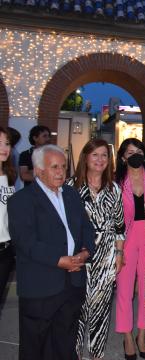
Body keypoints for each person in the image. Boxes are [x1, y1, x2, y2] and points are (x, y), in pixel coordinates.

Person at [8, 144, 95, 359]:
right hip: (40, 285)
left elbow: (87, 228)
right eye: (54, 167)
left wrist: (85, 252)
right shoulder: (21, 200)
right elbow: (25, 242)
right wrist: (59, 260)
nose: (61, 172)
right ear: (38, 170)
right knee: (34, 346)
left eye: (63, 166)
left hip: (72, 282)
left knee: (65, 342)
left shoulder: (72, 194)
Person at [67, 139, 125, 360]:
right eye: (95, 155)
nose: (100, 160)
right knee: (77, 311)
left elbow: (120, 226)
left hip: (106, 257)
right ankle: (75, 355)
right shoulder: (70, 186)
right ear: (85, 157)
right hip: (79, 257)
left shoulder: (114, 188)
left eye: (104, 155)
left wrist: (119, 254)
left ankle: (96, 356)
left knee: (100, 312)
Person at [115, 138, 145, 359]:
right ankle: (127, 336)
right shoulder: (116, 182)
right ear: (123, 157)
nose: (135, 156)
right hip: (125, 238)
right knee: (124, 289)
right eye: (130, 152)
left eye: (139, 152)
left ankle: (142, 334)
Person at [0, 127, 16, 306]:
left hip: (5, 250)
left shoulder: (9, 176)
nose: (4, 148)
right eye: (0, 143)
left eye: (7, 143)